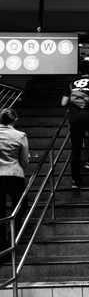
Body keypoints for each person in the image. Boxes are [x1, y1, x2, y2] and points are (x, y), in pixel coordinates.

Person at [61, 60, 89, 189]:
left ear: (79, 71)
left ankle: (75, 181)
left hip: (74, 118)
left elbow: (63, 102)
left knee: (75, 149)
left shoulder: (71, 83)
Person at [0, 108, 29, 258]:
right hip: (13, 173)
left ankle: (2, 245)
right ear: (15, 120)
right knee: (20, 204)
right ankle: (12, 232)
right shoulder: (20, 135)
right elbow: (24, 160)